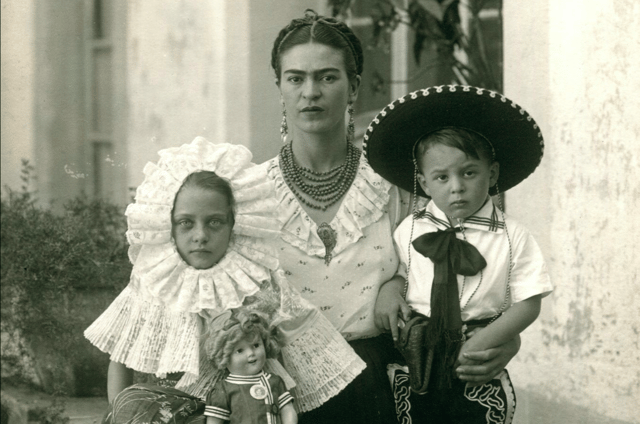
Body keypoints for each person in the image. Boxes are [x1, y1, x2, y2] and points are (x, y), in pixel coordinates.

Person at [263, 10, 521, 424]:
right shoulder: (250, 195)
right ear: (280, 87)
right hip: (283, 392)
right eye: (296, 78)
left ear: (354, 88)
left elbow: (462, 272)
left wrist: (505, 338)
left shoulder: (396, 186)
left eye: (328, 77)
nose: (310, 92)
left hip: (381, 390)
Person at [84, 137, 364, 423]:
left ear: (235, 224)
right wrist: (119, 413)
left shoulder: (256, 279)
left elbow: (290, 347)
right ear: (169, 225)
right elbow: (120, 357)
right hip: (169, 411)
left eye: (215, 222)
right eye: (186, 222)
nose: (201, 235)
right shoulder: (153, 279)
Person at [363, 84, 553, 423]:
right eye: (442, 177)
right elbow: (399, 272)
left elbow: (529, 301)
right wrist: (391, 288)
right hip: (418, 347)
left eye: (469, 172)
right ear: (423, 182)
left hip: (476, 344)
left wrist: (488, 340)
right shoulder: (409, 229)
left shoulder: (513, 236)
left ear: (491, 173)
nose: (456, 186)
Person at [203, 309, 297, 424]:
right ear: (224, 357)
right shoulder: (223, 389)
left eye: (256, 345)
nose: (251, 353)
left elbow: (287, 410)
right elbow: (214, 421)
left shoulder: (275, 382)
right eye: (240, 351)